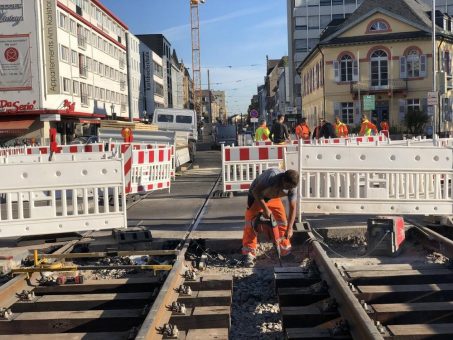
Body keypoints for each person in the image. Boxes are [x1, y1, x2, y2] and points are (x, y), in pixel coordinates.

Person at [242, 168, 300, 267]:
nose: (289, 189)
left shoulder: (292, 186)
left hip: (273, 197)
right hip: (257, 197)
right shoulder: (271, 177)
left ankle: (285, 250)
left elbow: (292, 207)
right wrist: (265, 209)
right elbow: (256, 191)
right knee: (250, 224)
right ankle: (249, 253)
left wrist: (290, 228)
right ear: (283, 180)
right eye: (287, 186)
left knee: (283, 222)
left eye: (291, 187)